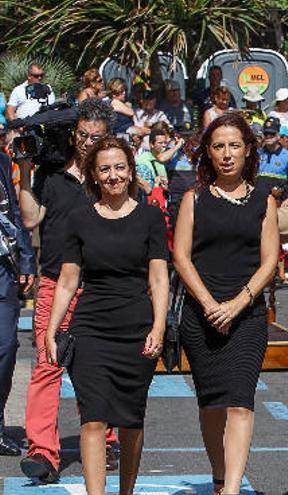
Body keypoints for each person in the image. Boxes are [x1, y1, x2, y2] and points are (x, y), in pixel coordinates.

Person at [45, 137, 169, 495]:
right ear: (93, 175)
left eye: (119, 168)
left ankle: (125, 492)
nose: (113, 176)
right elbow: (68, 280)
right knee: (93, 417)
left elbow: (159, 278)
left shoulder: (150, 216)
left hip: (137, 327)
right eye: (105, 169)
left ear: (131, 171)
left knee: (132, 419)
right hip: (91, 330)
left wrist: (159, 327)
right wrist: (53, 329)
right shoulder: (79, 218)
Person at [173, 113, 279, 495]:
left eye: (235, 145)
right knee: (212, 402)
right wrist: (208, 304)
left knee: (240, 401)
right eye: (218, 146)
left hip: (247, 314)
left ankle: (231, 490)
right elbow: (181, 257)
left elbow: (270, 262)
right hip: (200, 316)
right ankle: (219, 479)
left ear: (248, 150)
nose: (227, 154)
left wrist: (236, 304)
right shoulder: (194, 198)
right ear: (208, 153)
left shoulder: (263, 200)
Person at [16, 99, 119, 483]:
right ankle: (42, 452)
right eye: (83, 135)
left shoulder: (110, 175)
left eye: (97, 136)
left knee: (95, 366)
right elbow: (30, 218)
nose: (89, 142)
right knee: (47, 366)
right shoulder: (51, 173)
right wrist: (25, 171)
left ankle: (105, 439)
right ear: (73, 134)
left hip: (100, 283)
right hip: (53, 283)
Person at [0, 140, 35, 456]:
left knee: (6, 348)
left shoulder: (0, 161)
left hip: (2, 269)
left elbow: (12, 212)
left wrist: (26, 257)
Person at [257, 118, 288, 208]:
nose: (268, 136)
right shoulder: (257, 154)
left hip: (279, 204)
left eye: (272, 134)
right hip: (258, 203)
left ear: (278, 135)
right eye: (266, 133)